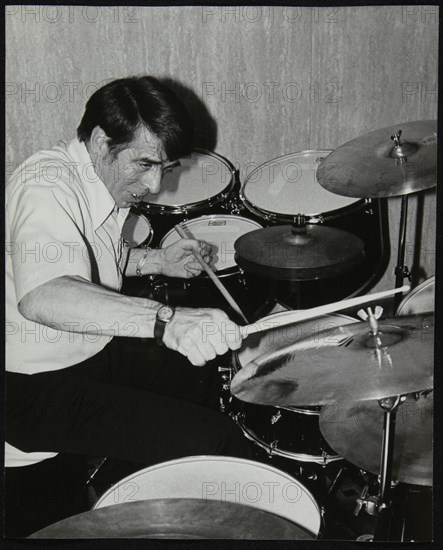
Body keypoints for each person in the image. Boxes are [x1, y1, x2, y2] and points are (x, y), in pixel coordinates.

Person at [5, 76, 251, 536]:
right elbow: (45, 293)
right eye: (145, 164)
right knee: (217, 441)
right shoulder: (46, 185)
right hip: (31, 390)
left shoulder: (97, 181)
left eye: (165, 166)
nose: (155, 183)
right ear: (101, 142)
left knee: (201, 375)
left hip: (85, 354)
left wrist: (157, 260)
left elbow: (90, 259)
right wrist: (167, 320)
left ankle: (137, 486)